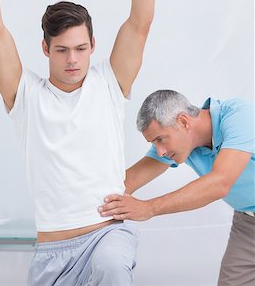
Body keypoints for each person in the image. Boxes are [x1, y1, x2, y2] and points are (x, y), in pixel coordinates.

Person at [0, 0, 157, 286]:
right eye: (61, 50)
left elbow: (140, 21)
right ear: (45, 49)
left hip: (107, 235)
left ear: (93, 46)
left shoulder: (109, 84)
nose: (72, 60)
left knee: (110, 266)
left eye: (80, 49)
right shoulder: (26, 97)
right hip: (52, 253)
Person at [99, 90, 255, 285]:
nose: (160, 151)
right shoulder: (182, 143)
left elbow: (220, 182)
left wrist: (149, 208)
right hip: (248, 223)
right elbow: (127, 183)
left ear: (183, 121)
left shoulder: (239, 116)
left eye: (160, 139)